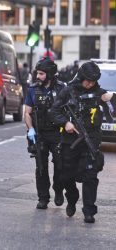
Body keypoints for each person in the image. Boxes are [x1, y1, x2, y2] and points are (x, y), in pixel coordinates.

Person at [50, 61, 116, 223]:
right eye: (87, 80)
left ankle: (89, 211)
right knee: (66, 176)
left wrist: (112, 99)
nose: (89, 84)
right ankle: (72, 198)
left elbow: (112, 111)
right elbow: (54, 112)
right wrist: (65, 123)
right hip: (69, 142)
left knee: (90, 176)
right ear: (81, 77)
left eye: (93, 81)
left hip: (90, 142)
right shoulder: (68, 91)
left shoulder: (100, 93)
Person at [24, 57, 66, 209]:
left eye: (41, 74)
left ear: (49, 74)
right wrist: (31, 130)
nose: (38, 77)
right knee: (41, 167)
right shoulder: (33, 89)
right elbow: (27, 113)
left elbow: (68, 111)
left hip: (58, 133)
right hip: (40, 133)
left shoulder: (62, 89)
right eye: (37, 73)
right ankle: (43, 197)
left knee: (60, 166)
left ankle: (59, 190)